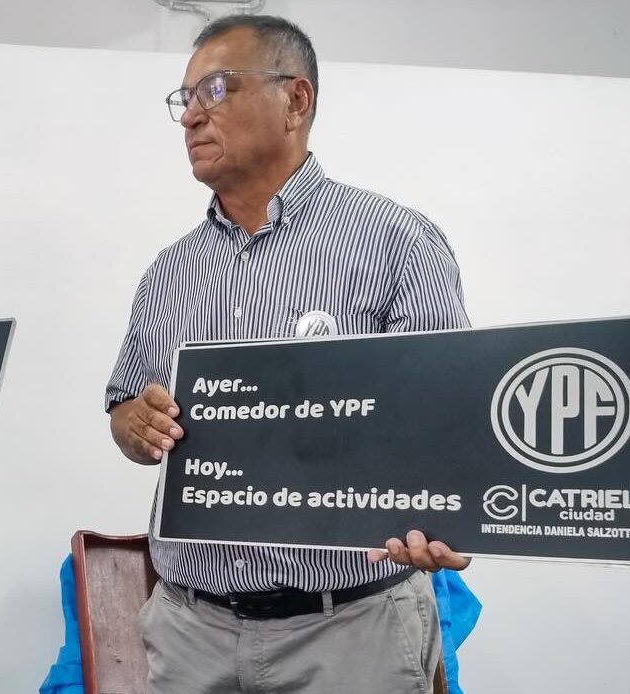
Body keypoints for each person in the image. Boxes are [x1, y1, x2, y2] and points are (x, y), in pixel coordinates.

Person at [105, 15, 471, 693]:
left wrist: (442, 519)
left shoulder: (396, 241)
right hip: (190, 633)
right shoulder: (168, 272)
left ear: (295, 100)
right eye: (184, 98)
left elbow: (448, 424)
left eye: (215, 89)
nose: (191, 115)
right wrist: (135, 423)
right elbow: (125, 411)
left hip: (350, 633)